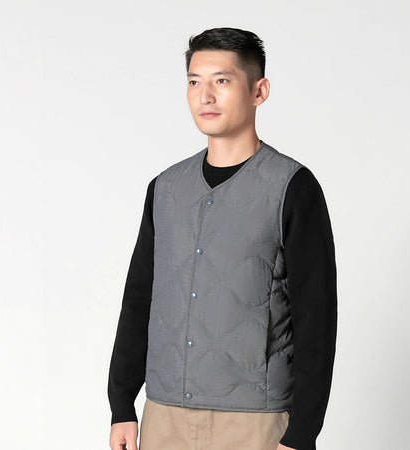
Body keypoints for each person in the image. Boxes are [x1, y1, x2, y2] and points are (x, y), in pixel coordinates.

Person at [108, 27, 337, 450]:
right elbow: (140, 298)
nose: (205, 96)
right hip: (165, 416)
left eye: (222, 80)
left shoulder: (293, 187)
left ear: (259, 91)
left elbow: (316, 317)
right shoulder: (165, 189)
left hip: (256, 422)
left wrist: (303, 431)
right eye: (194, 82)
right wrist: (121, 403)